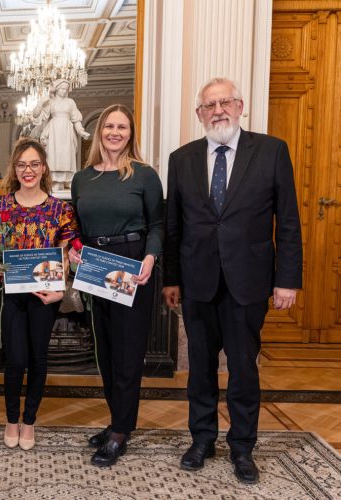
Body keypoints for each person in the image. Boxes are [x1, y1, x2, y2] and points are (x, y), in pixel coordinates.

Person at [163, 77, 302, 484]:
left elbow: (288, 221)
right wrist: (172, 279)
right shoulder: (181, 158)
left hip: (250, 281)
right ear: (199, 114)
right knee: (201, 370)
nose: (218, 110)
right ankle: (202, 439)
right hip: (197, 280)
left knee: (243, 369)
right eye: (210, 105)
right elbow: (174, 228)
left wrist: (287, 280)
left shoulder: (272, 151)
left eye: (225, 102)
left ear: (241, 106)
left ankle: (243, 448)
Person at [68, 104, 163, 467]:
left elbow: (157, 224)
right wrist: (75, 251)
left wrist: (150, 259)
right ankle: (116, 422)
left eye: (122, 127)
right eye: (109, 125)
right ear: (99, 131)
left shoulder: (144, 175)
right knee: (105, 352)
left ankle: (121, 432)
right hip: (95, 266)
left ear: (130, 133)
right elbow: (76, 228)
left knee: (127, 353)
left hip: (132, 265)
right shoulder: (82, 178)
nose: (115, 132)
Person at [0, 138, 79, 451]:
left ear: (44, 168)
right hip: (11, 295)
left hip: (45, 296)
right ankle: (11, 419)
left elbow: (68, 253)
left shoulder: (60, 210)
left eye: (34, 164)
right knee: (14, 359)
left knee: (37, 359)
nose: (28, 170)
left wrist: (61, 289)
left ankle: (29, 422)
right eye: (22, 164)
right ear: (14, 168)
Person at [33, 79, 90, 191]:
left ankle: (67, 180)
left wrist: (81, 131)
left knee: (67, 154)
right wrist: (40, 103)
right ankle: (55, 180)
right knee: (54, 154)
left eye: (66, 89)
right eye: (62, 89)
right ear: (57, 89)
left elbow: (75, 119)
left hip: (67, 130)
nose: (64, 91)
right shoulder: (51, 101)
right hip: (54, 130)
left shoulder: (70, 102)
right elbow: (36, 115)